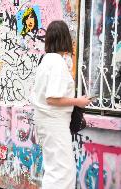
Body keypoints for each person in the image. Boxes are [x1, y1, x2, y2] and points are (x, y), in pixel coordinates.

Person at [31, 20, 91, 189]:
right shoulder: (57, 62)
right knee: (63, 173)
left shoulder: (46, 61)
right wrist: (79, 101)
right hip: (54, 122)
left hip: (46, 121)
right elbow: (52, 98)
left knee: (55, 170)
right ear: (65, 38)